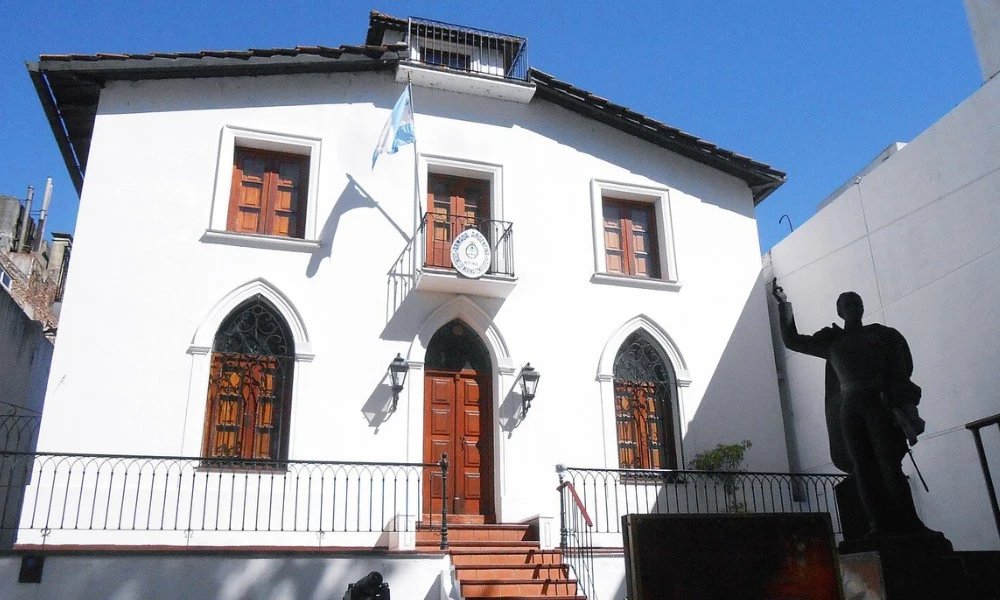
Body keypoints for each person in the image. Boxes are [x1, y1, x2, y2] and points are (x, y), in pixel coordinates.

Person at [772, 280, 932, 539]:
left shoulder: (881, 335)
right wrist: (784, 305)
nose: (852, 307)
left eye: (855, 303)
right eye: (846, 304)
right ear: (840, 311)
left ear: (862, 307)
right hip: (849, 410)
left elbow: (901, 370)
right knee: (863, 468)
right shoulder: (832, 340)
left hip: (878, 405)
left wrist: (904, 404)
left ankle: (911, 524)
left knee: (889, 465)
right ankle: (876, 525)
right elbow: (793, 341)